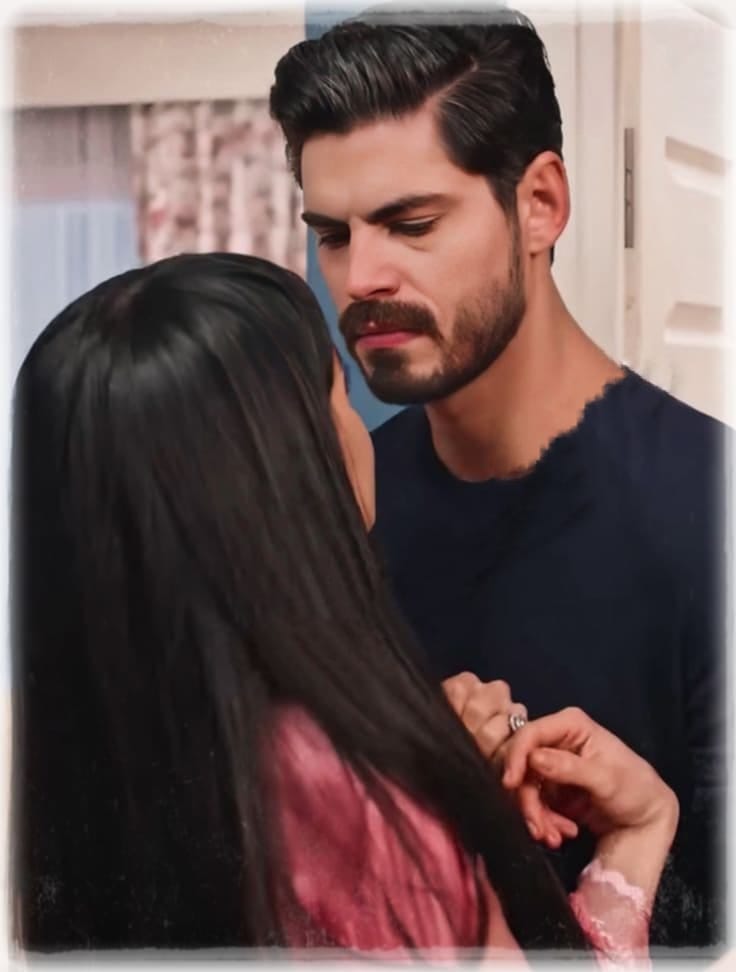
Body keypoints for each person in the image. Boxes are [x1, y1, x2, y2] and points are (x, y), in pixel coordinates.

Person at [11, 252, 678, 961]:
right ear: (284, 461)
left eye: (415, 227)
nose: (366, 278)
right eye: (340, 391)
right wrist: (632, 836)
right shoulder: (348, 801)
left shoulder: (94, 755)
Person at [269, 5, 728, 948]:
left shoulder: (709, 511)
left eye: (411, 224)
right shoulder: (341, 516)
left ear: (540, 206)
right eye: (334, 234)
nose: (360, 278)